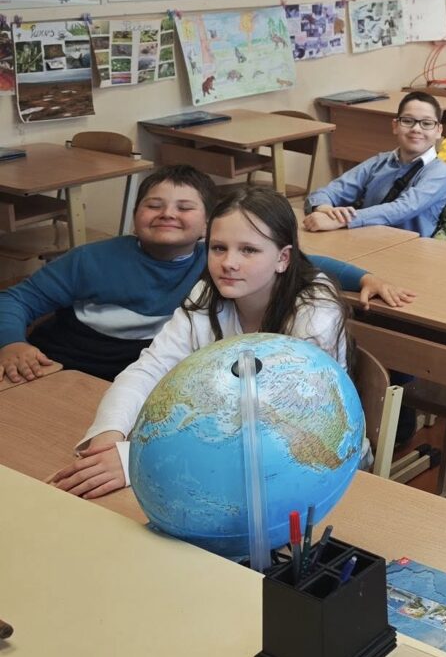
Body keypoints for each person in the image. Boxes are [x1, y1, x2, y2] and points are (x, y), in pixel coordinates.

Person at [49, 188, 364, 500]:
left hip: (313, 464)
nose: (229, 263)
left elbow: (275, 430)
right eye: (218, 248)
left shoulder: (314, 316)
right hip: (221, 453)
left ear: (283, 258)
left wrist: (136, 459)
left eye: (248, 250)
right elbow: (150, 369)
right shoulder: (207, 295)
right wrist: (109, 434)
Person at [0, 165, 407, 385]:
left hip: (136, 375)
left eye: (184, 208)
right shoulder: (90, 259)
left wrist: (364, 277)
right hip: (64, 364)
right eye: (153, 205)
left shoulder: (215, 263)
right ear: (135, 214)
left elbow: (302, 261)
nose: (167, 214)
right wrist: (12, 343)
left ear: (208, 223)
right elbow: (16, 299)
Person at [303, 92, 446, 238]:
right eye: (408, 121)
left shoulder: (439, 171)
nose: (416, 129)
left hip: (409, 248)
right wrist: (325, 209)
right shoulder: (379, 162)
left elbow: (402, 208)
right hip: (366, 239)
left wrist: (341, 220)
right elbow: (327, 192)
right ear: (395, 126)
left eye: (427, 123)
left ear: (439, 131)